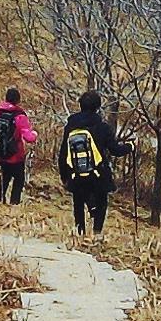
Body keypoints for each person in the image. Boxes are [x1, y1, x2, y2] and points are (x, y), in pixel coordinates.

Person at [57, 88, 123, 237]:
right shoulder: (103, 127)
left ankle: (80, 232)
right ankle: (97, 233)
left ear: (80, 105)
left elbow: (63, 153)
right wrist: (130, 147)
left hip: (75, 173)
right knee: (101, 203)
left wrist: (64, 176)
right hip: (98, 175)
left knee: (78, 202)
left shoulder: (71, 126)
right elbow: (115, 150)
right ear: (97, 107)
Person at [0, 86, 31, 205]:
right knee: (19, 179)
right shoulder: (20, 115)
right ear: (18, 100)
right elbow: (29, 137)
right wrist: (34, 134)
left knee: (4, 176)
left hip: (0, 153)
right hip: (16, 154)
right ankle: (14, 203)